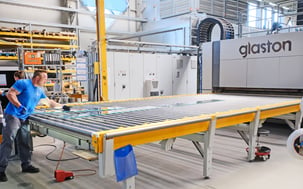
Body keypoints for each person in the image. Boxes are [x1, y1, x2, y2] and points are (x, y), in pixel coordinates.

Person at [0, 69, 69, 182]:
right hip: (13, 116)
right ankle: (1, 170)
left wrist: (63, 106)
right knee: (8, 141)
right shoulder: (23, 83)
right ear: (37, 78)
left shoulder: (40, 90)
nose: (46, 80)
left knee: (25, 141)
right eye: (45, 77)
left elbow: (49, 102)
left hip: (24, 118)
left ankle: (26, 165)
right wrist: (19, 106)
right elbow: (10, 93)